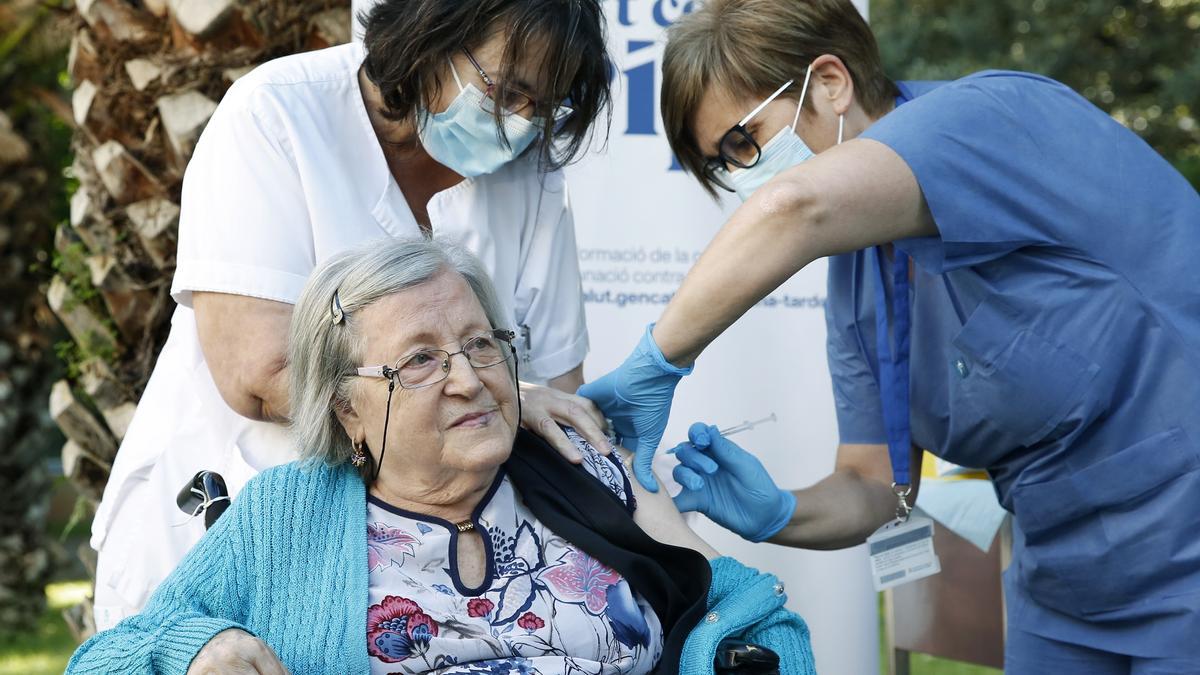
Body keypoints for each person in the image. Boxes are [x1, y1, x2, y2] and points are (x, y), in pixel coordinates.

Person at [579, 0, 1200, 670]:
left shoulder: (987, 120)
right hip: (1059, 588)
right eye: (723, 163)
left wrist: (657, 361)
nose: (743, 175)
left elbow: (793, 207)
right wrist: (779, 511)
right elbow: (878, 487)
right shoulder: (859, 280)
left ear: (830, 83)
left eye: (743, 140)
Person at [92, 0, 617, 629]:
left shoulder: (531, 176)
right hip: (223, 524)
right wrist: (493, 399)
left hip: (424, 583)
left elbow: (558, 392)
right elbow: (259, 371)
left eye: (546, 106)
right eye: (507, 92)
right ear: (432, 31)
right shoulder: (277, 114)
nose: (520, 124)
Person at [66, 237, 816, 675]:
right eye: (419, 360)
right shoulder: (286, 514)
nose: (470, 378)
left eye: (480, 342)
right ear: (345, 408)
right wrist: (198, 645)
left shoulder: (577, 464)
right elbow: (106, 658)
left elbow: (753, 613)